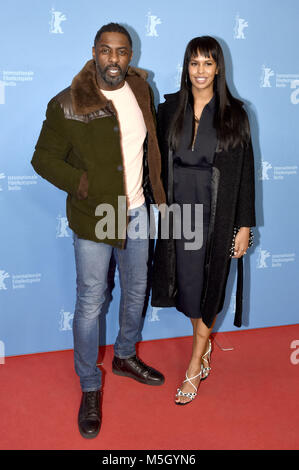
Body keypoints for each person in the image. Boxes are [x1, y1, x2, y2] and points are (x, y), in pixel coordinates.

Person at [31, 23, 166, 438]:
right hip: (95, 214)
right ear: (94, 52)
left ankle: (125, 355)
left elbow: (148, 148)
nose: (114, 59)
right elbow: (42, 159)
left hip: (139, 211)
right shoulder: (68, 102)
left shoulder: (142, 90)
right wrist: (82, 184)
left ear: (130, 55)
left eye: (122, 51)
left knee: (136, 289)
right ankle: (90, 385)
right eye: (106, 51)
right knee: (92, 300)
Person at [151, 36, 255, 405]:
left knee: (210, 288)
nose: (200, 70)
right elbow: (155, 160)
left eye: (208, 63)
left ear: (218, 68)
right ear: (186, 67)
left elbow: (245, 172)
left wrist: (244, 225)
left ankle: (195, 363)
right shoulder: (170, 108)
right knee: (187, 287)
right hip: (178, 214)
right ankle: (204, 346)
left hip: (216, 215)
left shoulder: (235, 114)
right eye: (194, 63)